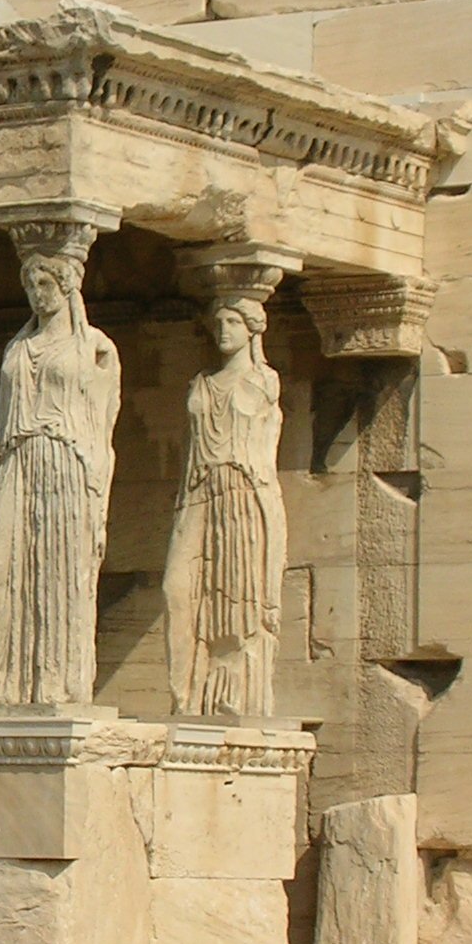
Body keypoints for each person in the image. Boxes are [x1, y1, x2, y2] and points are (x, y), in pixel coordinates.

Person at [0, 250, 121, 705]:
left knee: (60, 571)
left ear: (67, 287)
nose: (38, 296)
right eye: (31, 287)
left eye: (46, 286)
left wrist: (96, 487)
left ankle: (58, 686)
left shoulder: (94, 347)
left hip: (65, 459)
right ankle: (7, 684)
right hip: (17, 459)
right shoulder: (18, 347)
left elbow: (104, 420)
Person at [164, 297, 286, 717]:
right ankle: (185, 694)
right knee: (176, 590)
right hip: (198, 491)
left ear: (253, 329)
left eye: (233, 321)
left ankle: (230, 698)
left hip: (242, 495)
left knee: (237, 602)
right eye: (218, 322)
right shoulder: (200, 383)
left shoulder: (263, 383)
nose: (224, 331)